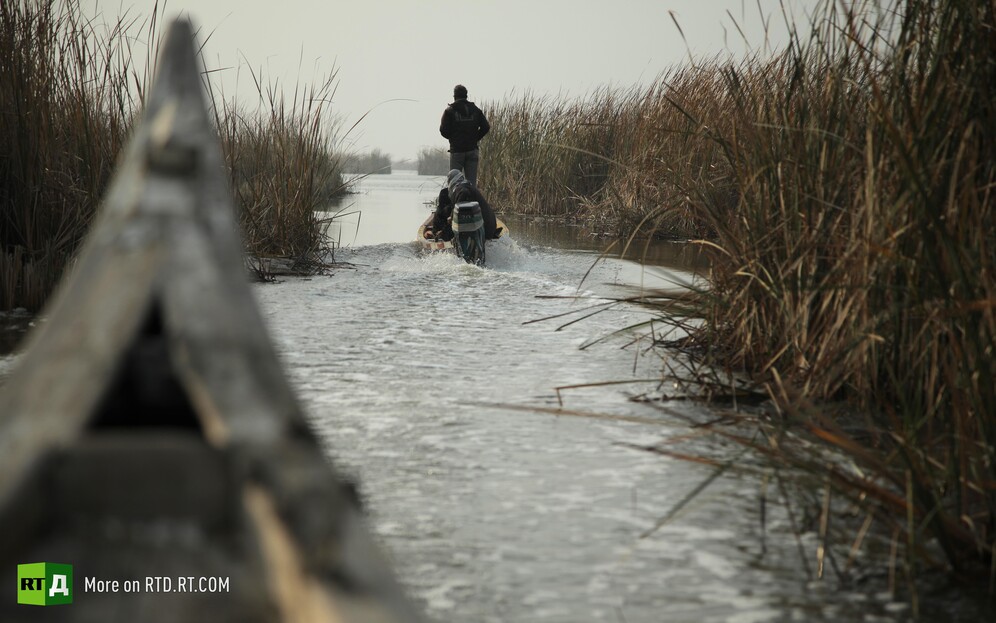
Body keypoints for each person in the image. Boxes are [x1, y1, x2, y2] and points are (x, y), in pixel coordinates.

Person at [423, 170, 500, 241]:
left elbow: (458, 213)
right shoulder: (470, 189)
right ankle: (436, 232)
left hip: (482, 231)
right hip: (490, 231)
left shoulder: (462, 191)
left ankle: (436, 233)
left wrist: (443, 232)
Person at [439, 84, 490, 186]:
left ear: (454, 96)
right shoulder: (476, 110)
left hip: (457, 151)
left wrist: (453, 138)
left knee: (454, 184)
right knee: (471, 184)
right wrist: (475, 138)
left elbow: (443, 130)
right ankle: (471, 200)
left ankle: (456, 201)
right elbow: (486, 127)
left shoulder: (449, 111)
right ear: (466, 96)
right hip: (472, 150)